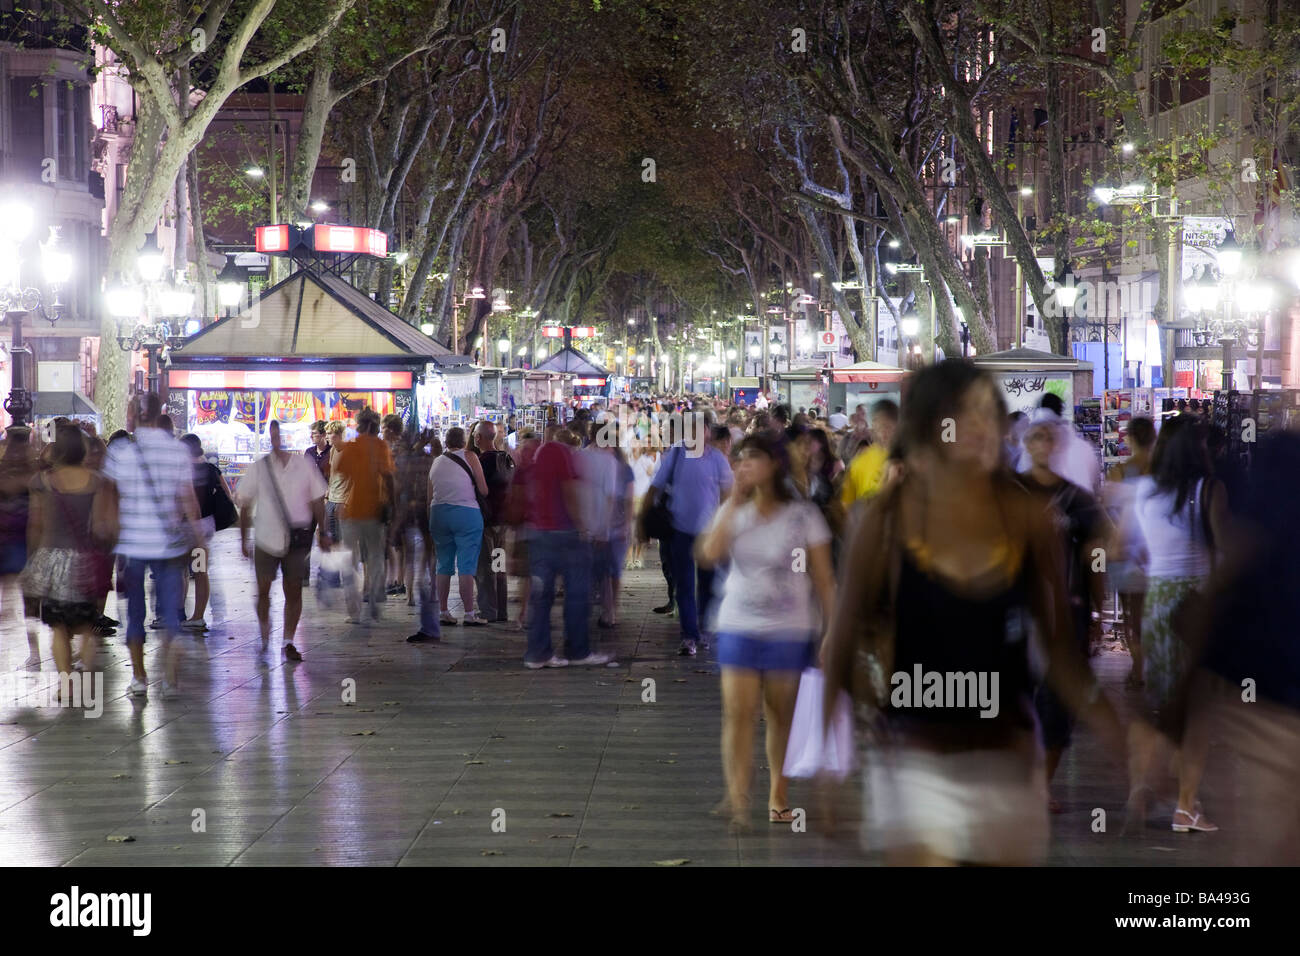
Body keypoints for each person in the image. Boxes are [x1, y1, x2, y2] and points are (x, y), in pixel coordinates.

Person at [821, 361, 1128, 865]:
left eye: (990, 414)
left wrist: (1115, 728)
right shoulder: (887, 519)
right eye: (964, 415)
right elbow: (843, 633)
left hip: (1006, 755)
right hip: (915, 755)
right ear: (931, 427)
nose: (982, 428)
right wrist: (833, 762)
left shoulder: (1028, 517)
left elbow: (1056, 647)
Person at [696, 432, 835, 832]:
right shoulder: (734, 510)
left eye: (751, 459)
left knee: (779, 715)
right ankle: (738, 797)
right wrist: (734, 503)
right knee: (737, 714)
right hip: (738, 622)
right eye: (738, 460)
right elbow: (710, 554)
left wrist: (829, 631)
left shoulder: (803, 515)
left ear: (773, 464)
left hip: (789, 629)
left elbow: (825, 580)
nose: (741, 466)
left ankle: (778, 792)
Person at [1122, 414, 1225, 834]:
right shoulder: (1209, 489)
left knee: (1161, 701)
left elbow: (1126, 547)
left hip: (1158, 599)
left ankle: (1141, 786)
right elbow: (1226, 552)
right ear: (1198, 448)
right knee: (1196, 710)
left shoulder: (1144, 489)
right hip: (1195, 604)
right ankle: (1186, 806)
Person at [1018, 409, 1108, 810]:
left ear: (1056, 444)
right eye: (1034, 437)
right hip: (1014, 610)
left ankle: (1040, 783)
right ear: (1026, 443)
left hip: (1064, 611)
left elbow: (1097, 554)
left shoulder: (1076, 499)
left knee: (1057, 703)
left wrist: (1098, 609)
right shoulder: (1007, 492)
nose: (1041, 445)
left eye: (1047, 437)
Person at [102, 393, 205, 698]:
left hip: (132, 545)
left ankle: (139, 677)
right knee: (170, 612)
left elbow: (110, 498)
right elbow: (189, 501)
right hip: (169, 545)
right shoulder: (176, 451)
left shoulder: (120, 453)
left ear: (134, 414)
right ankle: (170, 679)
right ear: (160, 412)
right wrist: (198, 539)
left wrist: (110, 531)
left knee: (135, 613)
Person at [19, 425, 112, 687]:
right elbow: (100, 527)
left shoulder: (42, 481)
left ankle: (66, 683)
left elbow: (35, 525)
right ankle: (83, 668)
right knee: (86, 626)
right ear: (83, 450)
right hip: (84, 562)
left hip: (51, 561)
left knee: (58, 626)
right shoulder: (96, 481)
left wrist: (32, 557)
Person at [643, 411, 734, 657]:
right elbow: (655, 486)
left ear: (707, 432)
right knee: (684, 585)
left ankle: (703, 630)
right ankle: (689, 636)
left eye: (700, 429)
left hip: (709, 533)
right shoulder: (676, 454)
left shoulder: (717, 459)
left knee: (706, 584)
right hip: (679, 531)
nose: (695, 434)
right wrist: (644, 518)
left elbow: (728, 493)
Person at [237, 419, 329, 661]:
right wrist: (244, 538)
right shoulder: (259, 468)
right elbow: (245, 505)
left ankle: (288, 639)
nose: (277, 440)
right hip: (266, 538)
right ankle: (265, 633)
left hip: (297, 537)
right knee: (264, 590)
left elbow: (317, 501)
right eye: (273, 435)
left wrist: (324, 532)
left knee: (294, 589)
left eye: (279, 435)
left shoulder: (303, 465)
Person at [523, 428, 611, 669]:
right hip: (565, 534)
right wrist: (582, 526)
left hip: (539, 533)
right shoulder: (560, 453)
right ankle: (577, 650)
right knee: (577, 595)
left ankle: (538, 653)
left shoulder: (537, 454)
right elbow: (569, 491)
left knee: (541, 596)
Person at [1104, 416, 1156, 686]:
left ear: (1129, 438)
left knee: (1130, 615)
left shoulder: (1119, 473)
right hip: (1157, 553)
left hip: (1126, 551)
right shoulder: (1163, 472)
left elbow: (1108, 512)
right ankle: (1153, 665)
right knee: (1151, 613)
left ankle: (1137, 667)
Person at [334, 408, 395, 623]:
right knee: (376, 557)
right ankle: (374, 597)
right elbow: (388, 477)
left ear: (359, 426)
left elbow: (340, 475)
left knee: (350, 561)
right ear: (376, 426)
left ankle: (354, 611)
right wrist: (392, 507)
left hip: (351, 512)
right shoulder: (381, 446)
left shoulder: (350, 448)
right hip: (375, 512)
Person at [428, 426, 488, 626]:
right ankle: (470, 614)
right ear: (463, 442)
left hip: (438, 514)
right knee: (466, 566)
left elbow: (430, 496)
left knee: (443, 564)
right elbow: (483, 489)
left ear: (446, 442)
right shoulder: (470, 456)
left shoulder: (436, 461)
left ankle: (443, 611)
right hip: (466, 514)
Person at [179, 433, 234, 631]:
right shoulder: (211, 469)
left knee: (181, 571)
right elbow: (228, 495)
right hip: (206, 527)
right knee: (201, 570)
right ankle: (198, 616)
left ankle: (179, 612)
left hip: (188, 528)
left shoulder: (183, 471)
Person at [0, 425, 43, 667]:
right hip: (28, 540)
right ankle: (33, 651)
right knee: (30, 601)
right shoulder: (34, 473)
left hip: (7, 540)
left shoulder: (4, 470)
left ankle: (31, 651)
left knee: (9, 591)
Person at [471, 420, 513, 623]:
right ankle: (502, 610)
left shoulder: (482, 461)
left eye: (474, 435)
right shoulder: (504, 458)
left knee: (485, 569)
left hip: (486, 522)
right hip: (502, 522)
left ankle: (488, 610)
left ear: (479, 438)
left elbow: (477, 490)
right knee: (499, 567)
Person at [840, 398, 899, 509]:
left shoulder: (910, 459)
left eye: (888, 425)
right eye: (880, 424)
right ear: (873, 424)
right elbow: (847, 505)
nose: (884, 431)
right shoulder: (860, 461)